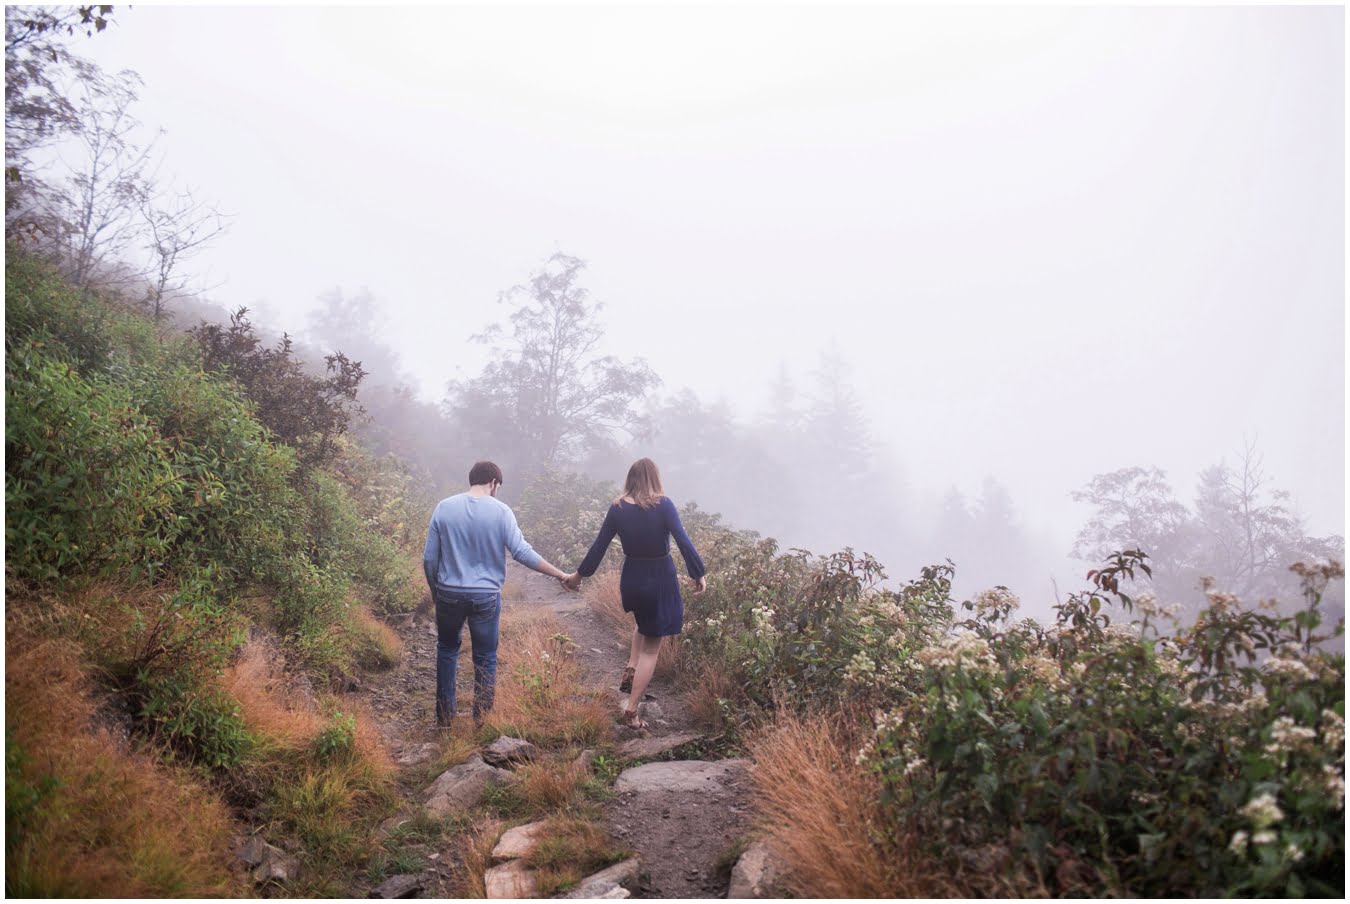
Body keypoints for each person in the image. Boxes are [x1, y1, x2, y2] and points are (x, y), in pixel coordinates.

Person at [423, 460, 573, 729]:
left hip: (449, 592)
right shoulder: (501, 511)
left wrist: (436, 591)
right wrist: (560, 574)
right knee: (485, 657)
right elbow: (522, 552)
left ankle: (445, 721)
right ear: (493, 483)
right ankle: (482, 722)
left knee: (446, 650)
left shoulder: (443, 508)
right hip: (486, 596)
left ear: (473, 479)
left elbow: (429, 560)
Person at [563, 457, 706, 729]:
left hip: (632, 577)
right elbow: (683, 540)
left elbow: (598, 547)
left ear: (630, 479)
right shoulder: (664, 505)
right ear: (655, 478)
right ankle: (631, 711)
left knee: (643, 623)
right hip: (659, 576)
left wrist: (577, 576)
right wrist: (697, 572)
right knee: (652, 649)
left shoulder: (617, 508)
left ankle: (630, 668)